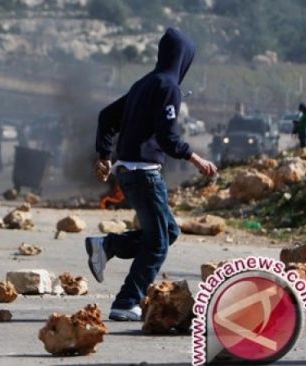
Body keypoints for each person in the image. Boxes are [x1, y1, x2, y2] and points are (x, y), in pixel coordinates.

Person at [87, 28, 217, 321]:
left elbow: (107, 116)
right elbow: (168, 137)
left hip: (128, 171)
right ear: (184, 58)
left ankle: (108, 245)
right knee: (158, 242)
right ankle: (126, 301)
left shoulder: (143, 83)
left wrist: (104, 155)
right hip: (144, 173)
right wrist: (195, 158)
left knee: (168, 231)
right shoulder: (168, 86)